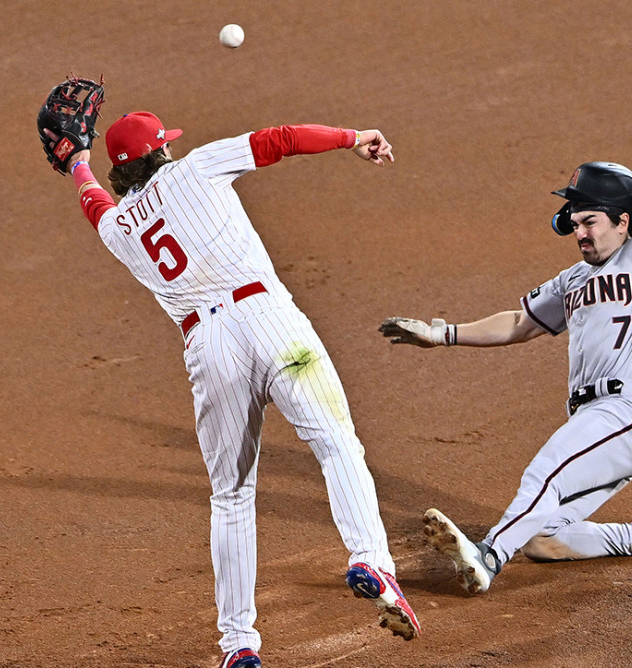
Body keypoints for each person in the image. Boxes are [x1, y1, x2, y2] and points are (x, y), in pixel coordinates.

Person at [62, 115, 419, 668]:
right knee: (336, 445)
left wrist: (75, 163)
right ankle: (370, 559)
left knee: (230, 496)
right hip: (269, 321)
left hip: (207, 348)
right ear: (162, 152)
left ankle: (239, 646)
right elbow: (282, 140)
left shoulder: (119, 230)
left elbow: (95, 206)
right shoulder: (198, 167)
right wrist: (354, 138)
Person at [378, 51, 632, 596]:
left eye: (590, 221)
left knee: (542, 474)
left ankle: (489, 556)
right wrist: (440, 332)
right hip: (597, 422)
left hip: (623, 413)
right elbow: (519, 322)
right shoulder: (571, 280)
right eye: (574, 223)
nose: (580, 233)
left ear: (622, 222)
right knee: (546, 539)